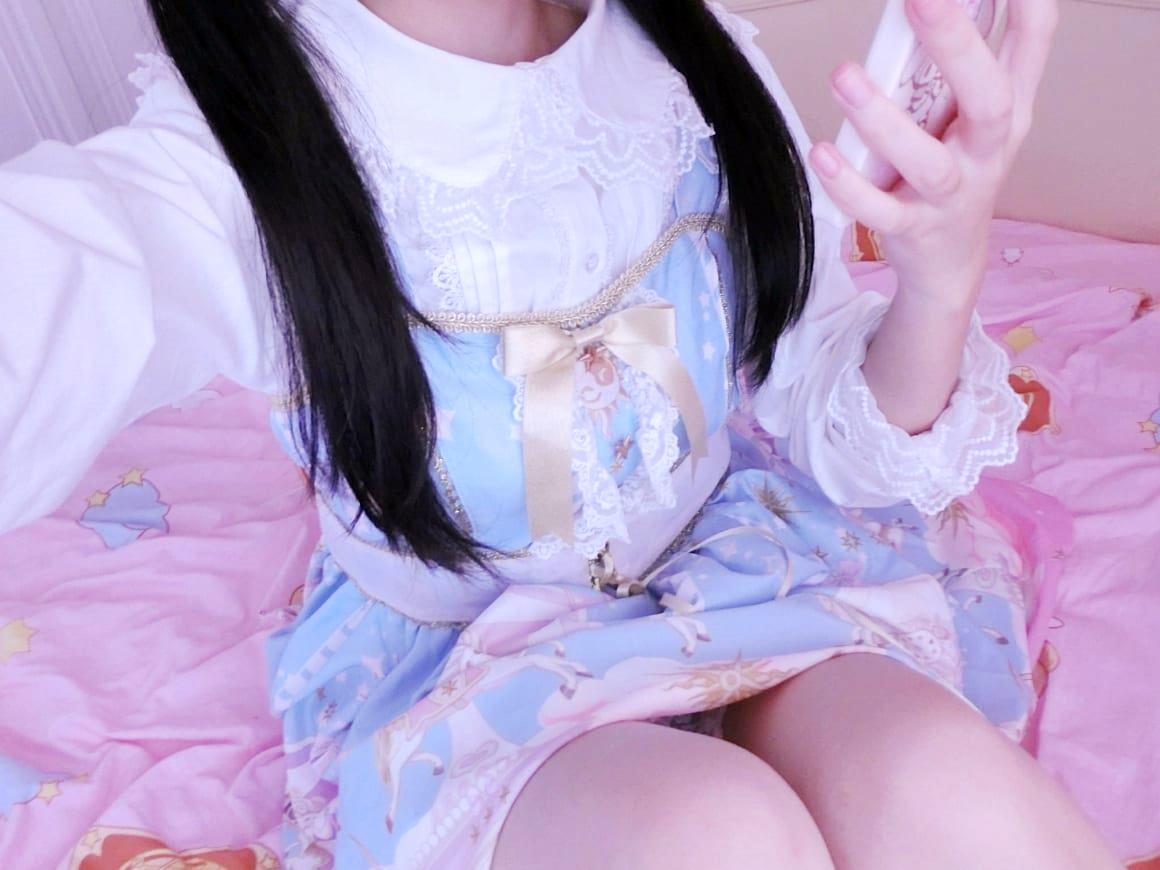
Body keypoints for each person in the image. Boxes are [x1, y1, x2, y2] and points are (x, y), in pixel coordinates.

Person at [0, 0, 1122, 866]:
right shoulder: (233, 160)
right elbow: (64, 280)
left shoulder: (688, 55)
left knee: (951, 789)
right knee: (713, 837)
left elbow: (825, 400)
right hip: (465, 668)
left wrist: (941, 271)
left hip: (742, 568)